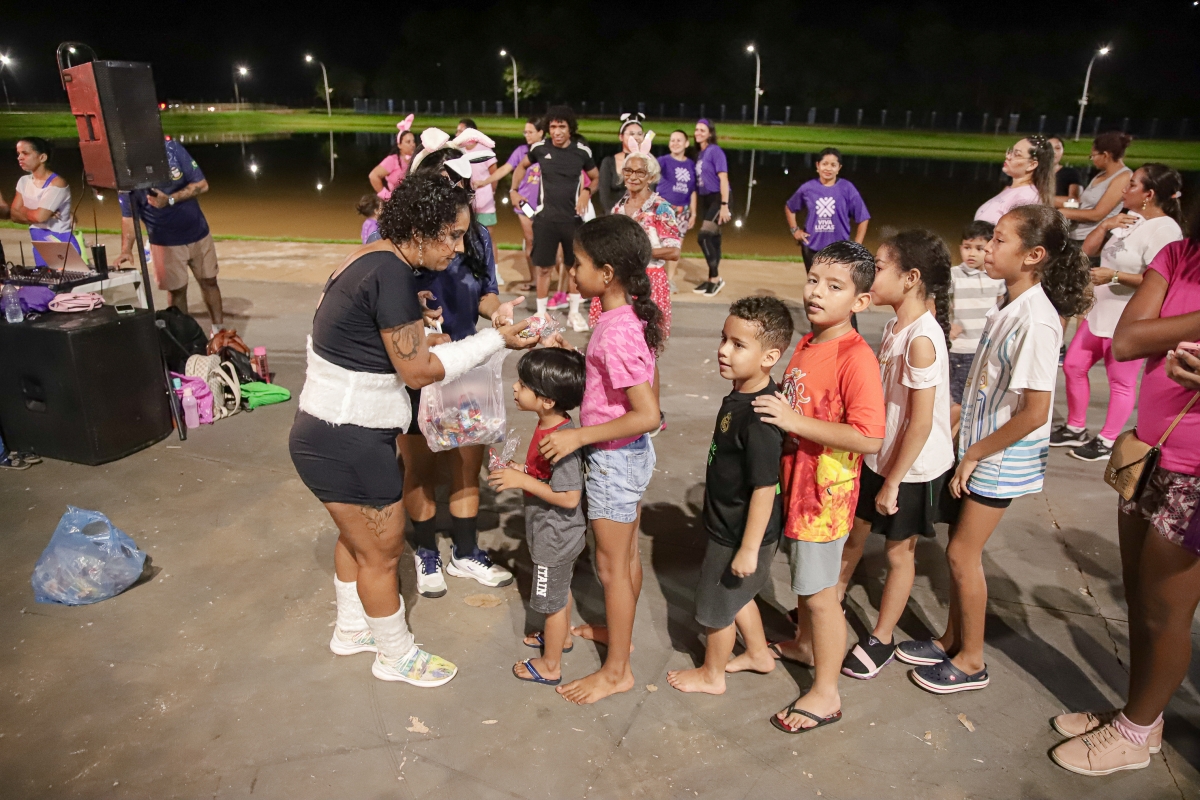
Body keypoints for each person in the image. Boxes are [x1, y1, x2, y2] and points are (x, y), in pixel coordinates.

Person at [287, 171, 535, 686]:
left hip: (326, 430)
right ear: (420, 231)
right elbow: (419, 372)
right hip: (350, 438)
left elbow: (359, 334)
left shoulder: (370, 258)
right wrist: (496, 341)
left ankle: (352, 629)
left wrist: (415, 325)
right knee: (382, 555)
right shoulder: (393, 276)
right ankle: (395, 654)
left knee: (356, 541)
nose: (459, 248)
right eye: (452, 235)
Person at [897, 205, 1092, 693]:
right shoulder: (1010, 303)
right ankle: (951, 640)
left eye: (1000, 240)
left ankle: (971, 661)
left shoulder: (1038, 321)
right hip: (983, 447)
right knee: (957, 551)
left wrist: (975, 453)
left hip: (1000, 457)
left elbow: (1034, 412)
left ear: (1033, 255)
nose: (988, 247)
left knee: (962, 555)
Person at [1048, 210, 1200, 776]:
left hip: (1197, 472)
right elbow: (1131, 339)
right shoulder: (1179, 255)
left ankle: (1135, 735)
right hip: (1149, 452)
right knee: (1137, 596)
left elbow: (1148, 332)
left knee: (1166, 611)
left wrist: (1171, 328)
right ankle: (1140, 716)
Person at [752, 241, 885, 733]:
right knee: (805, 588)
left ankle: (827, 693)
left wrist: (793, 421)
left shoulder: (856, 358)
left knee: (822, 594)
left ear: (860, 301)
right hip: (798, 488)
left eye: (834, 286)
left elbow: (870, 437)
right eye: (813, 280)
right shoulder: (810, 342)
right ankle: (807, 646)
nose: (817, 293)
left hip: (823, 499)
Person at [537, 214, 664, 704]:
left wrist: (578, 437)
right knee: (625, 559)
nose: (572, 272)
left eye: (579, 264)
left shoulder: (617, 332)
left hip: (614, 460)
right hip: (625, 457)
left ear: (607, 274)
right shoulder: (618, 320)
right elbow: (615, 382)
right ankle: (620, 636)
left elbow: (647, 414)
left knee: (611, 569)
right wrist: (575, 353)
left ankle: (617, 672)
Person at [398, 140, 525, 598]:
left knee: (467, 464)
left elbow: (486, 293)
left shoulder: (477, 236)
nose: (459, 195)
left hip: (467, 361)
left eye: (464, 188)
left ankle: (466, 552)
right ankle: (426, 550)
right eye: (449, 185)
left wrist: (499, 312)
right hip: (419, 365)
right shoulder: (401, 241)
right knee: (419, 465)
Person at [837, 231, 955, 679]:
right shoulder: (893, 327)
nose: (871, 274)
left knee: (898, 553)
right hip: (881, 454)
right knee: (854, 532)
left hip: (912, 467)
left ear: (910, 278)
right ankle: (830, 600)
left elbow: (921, 423)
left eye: (880, 266)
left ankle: (882, 637)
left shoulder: (921, 339)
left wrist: (892, 482)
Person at [665, 297, 791, 695]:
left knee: (716, 608)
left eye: (738, 345)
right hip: (730, 526)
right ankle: (758, 653)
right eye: (724, 339)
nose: (723, 350)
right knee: (737, 594)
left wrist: (748, 549)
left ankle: (712, 674)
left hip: (739, 534)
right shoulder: (743, 393)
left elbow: (764, 488)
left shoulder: (759, 418)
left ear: (769, 356)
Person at [1053, 164, 1185, 462]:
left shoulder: (1165, 230)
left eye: (1133, 184)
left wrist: (1114, 276)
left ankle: (1108, 439)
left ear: (1149, 194)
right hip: (1100, 312)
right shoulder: (1130, 219)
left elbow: (1161, 280)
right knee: (1073, 365)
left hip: (1129, 318)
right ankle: (1075, 427)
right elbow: (1088, 250)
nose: (1124, 189)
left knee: (1121, 381)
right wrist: (1104, 225)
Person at [487, 348, 588, 687]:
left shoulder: (560, 442)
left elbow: (570, 496)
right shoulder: (550, 426)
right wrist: (522, 470)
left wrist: (522, 482)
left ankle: (550, 665)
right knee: (561, 590)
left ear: (546, 400)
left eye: (523, 384)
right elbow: (547, 477)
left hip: (554, 536)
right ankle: (562, 637)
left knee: (550, 604)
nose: (515, 387)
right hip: (556, 533)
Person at [117, 137, 227, 335]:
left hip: (198, 232)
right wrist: (126, 250)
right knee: (177, 291)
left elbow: (202, 184)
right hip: (164, 242)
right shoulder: (127, 174)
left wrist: (170, 200)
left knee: (209, 281)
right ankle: (184, 337)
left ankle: (219, 333)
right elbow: (129, 217)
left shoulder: (172, 149)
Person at [509, 106, 599, 321]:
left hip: (572, 220)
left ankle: (574, 313)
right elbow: (521, 167)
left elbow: (595, 177)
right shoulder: (540, 148)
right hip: (545, 219)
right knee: (543, 269)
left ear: (570, 128)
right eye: (553, 127)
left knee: (573, 267)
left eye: (562, 127)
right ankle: (541, 314)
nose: (557, 132)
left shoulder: (582, 151)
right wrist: (513, 191)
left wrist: (586, 192)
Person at [475, 117, 546, 291]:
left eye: (530, 132)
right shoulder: (521, 151)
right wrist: (484, 182)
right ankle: (535, 280)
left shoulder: (550, 151)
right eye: (525, 132)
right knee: (531, 240)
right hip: (525, 205)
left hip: (547, 204)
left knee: (549, 243)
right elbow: (505, 169)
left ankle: (552, 281)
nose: (527, 135)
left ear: (541, 133)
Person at [783, 147, 871, 269]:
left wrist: (857, 245)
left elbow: (863, 217)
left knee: (835, 280)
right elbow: (790, 207)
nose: (828, 168)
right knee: (814, 279)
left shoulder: (847, 188)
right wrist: (795, 230)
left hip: (839, 250)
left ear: (839, 168)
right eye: (825, 164)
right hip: (812, 247)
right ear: (817, 166)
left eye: (833, 165)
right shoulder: (808, 188)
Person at [948, 221, 1004, 407]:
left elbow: (1001, 307)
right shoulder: (954, 275)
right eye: (967, 247)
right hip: (962, 349)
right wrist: (947, 325)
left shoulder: (997, 277)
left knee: (979, 399)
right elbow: (934, 302)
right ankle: (946, 427)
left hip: (987, 349)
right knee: (962, 402)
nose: (971, 253)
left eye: (979, 248)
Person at [9, 137, 77, 267]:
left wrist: (24, 210)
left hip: (60, 243)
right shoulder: (23, 181)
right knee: (43, 280)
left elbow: (39, 217)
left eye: (25, 153)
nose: (19, 158)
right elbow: (13, 215)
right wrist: (38, 212)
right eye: (18, 154)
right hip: (38, 243)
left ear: (42, 157)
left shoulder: (57, 183)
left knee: (64, 280)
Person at [1060, 132, 1134, 243]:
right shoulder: (1101, 174)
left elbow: (1097, 214)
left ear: (1105, 155)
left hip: (1090, 239)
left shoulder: (1123, 177)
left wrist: (1062, 212)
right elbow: (1085, 205)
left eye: (1093, 156)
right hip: (1074, 234)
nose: (1092, 159)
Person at [691, 119, 732, 297]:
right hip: (707, 199)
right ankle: (711, 279)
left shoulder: (715, 151)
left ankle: (715, 279)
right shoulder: (700, 154)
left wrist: (724, 205)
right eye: (696, 129)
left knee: (703, 236)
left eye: (703, 130)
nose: (698, 133)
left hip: (719, 198)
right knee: (714, 239)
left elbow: (723, 178)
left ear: (710, 133)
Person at [974, 136, 1055, 224]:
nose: (1008, 156)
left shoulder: (1026, 198)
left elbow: (1015, 232)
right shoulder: (1013, 189)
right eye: (1011, 151)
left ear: (1031, 165)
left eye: (1017, 154)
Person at [455, 119, 500, 269]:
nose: (457, 134)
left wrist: (490, 192)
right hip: (466, 203)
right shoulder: (458, 152)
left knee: (489, 238)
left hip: (485, 203)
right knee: (465, 237)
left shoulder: (485, 152)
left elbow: (495, 175)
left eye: (460, 131)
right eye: (457, 131)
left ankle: (495, 270)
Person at [657, 130, 697, 293]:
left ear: (686, 143)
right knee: (658, 244)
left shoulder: (691, 165)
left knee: (676, 246)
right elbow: (649, 171)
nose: (675, 143)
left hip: (682, 211)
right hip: (664, 208)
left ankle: (670, 279)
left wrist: (694, 213)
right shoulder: (663, 161)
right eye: (672, 140)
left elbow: (692, 190)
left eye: (679, 140)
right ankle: (655, 279)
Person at [596, 113, 645, 215]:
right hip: (613, 217)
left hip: (639, 217)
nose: (636, 137)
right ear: (621, 137)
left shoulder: (649, 163)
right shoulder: (608, 162)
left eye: (639, 134)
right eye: (631, 134)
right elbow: (604, 197)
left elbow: (649, 194)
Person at [369, 115, 417, 200]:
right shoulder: (392, 160)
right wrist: (386, 196)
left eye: (413, 141)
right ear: (399, 145)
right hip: (396, 203)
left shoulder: (417, 160)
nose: (412, 144)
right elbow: (373, 176)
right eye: (408, 142)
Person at [1049, 135, 1083, 206]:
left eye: (1057, 148)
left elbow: (1074, 202)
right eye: (1049, 148)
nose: (1053, 152)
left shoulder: (1071, 173)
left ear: (1063, 151)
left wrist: (1040, 199)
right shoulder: (1032, 172)